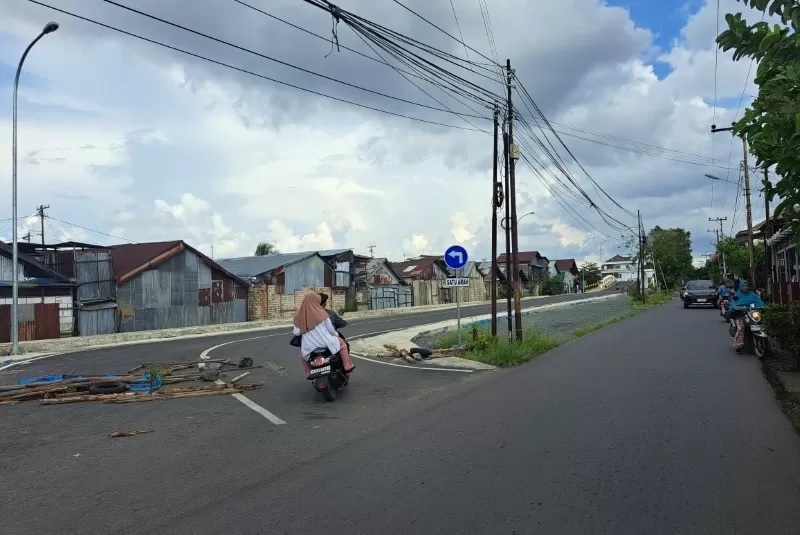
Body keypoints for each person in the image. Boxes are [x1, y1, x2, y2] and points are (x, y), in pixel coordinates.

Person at [292, 293, 355, 377]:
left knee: (303, 356)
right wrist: (336, 335)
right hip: (325, 343)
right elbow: (331, 330)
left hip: (309, 346)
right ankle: (347, 366)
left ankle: (308, 372)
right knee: (343, 345)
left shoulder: (299, 316)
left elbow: (296, 333)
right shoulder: (322, 313)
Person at [731, 279, 765, 352]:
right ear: (740, 287)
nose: (745, 287)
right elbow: (734, 303)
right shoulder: (737, 295)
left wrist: (762, 306)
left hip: (752, 313)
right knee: (741, 327)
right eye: (744, 286)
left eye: (747, 286)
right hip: (741, 314)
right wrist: (737, 307)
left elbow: (759, 302)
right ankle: (738, 344)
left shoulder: (752, 294)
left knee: (760, 323)